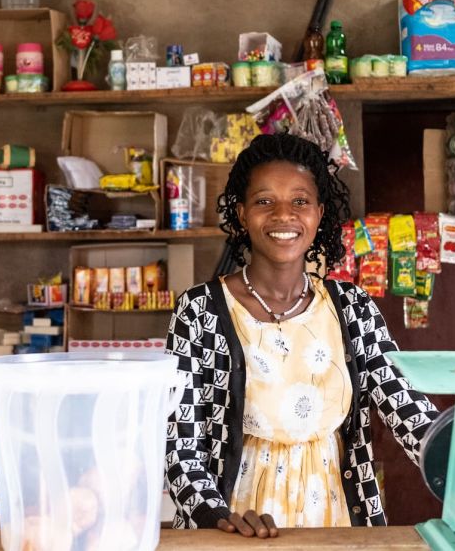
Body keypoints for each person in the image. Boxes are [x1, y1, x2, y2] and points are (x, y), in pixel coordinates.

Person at [164, 133, 439, 537]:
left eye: (299, 201)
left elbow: (407, 407)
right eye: (264, 201)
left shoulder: (351, 307)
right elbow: (180, 445)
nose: (283, 215)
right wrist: (216, 517)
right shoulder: (200, 311)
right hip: (238, 530)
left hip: (336, 523)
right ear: (242, 214)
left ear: (319, 213)